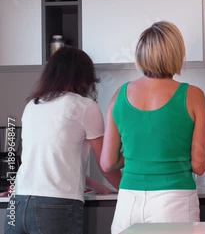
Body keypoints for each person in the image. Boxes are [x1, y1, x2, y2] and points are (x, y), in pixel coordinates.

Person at [101, 21, 205, 234]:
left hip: (128, 203)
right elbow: (199, 165)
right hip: (174, 203)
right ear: (176, 53)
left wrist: (136, 153)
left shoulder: (118, 95)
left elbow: (107, 162)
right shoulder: (193, 95)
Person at [4, 46, 122, 234]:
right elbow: (105, 163)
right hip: (55, 206)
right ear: (84, 77)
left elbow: (50, 159)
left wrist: (93, 184)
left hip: (17, 203)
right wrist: (127, 190)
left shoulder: (33, 105)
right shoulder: (84, 106)